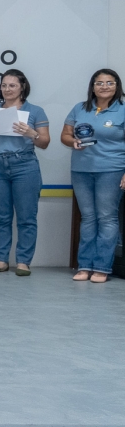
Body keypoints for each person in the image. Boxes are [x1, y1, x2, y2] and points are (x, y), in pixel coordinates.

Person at [0, 69, 50, 276]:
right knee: (0, 216)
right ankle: (1, 260)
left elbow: (45, 143)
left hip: (25, 165)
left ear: (23, 87)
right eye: (4, 85)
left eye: (12, 85)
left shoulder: (35, 111)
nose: (7, 89)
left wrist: (31, 133)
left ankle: (23, 262)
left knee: (27, 217)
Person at [61, 68, 125, 283]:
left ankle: (102, 267)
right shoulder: (79, 108)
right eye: (99, 83)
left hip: (112, 170)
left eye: (109, 82)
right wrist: (73, 141)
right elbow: (65, 135)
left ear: (117, 86)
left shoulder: (123, 109)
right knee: (88, 217)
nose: (104, 86)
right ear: (93, 87)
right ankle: (84, 266)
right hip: (81, 170)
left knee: (107, 217)